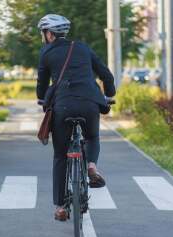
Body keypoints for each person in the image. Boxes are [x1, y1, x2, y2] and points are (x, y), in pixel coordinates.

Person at [36, 14, 116, 221]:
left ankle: (61, 206)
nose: (43, 37)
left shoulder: (46, 53)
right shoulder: (83, 48)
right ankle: (91, 166)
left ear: (50, 34)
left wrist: (42, 98)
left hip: (62, 106)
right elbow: (106, 75)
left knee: (60, 155)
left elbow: (41, 87)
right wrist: (109, 94)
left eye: (43, 33)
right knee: (92, 137)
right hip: (89, 103)